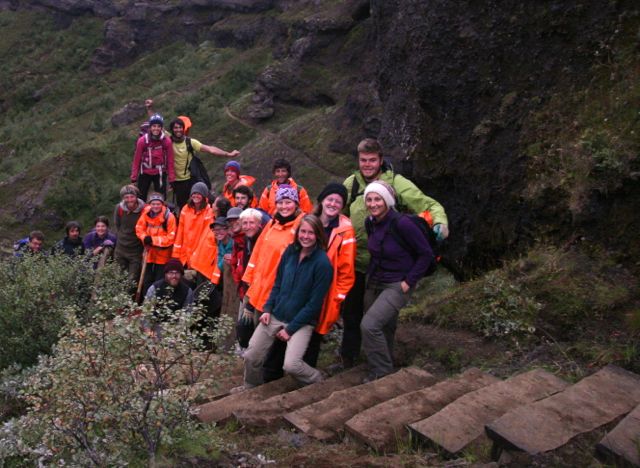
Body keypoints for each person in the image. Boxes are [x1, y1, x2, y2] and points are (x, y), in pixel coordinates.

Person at [339, 138, 449, 369]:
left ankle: (382, 366)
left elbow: (428, 205)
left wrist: (439, 222)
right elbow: (334, 206)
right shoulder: (352, 184)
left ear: (380, 160)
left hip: (391, 270)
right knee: (351, 315)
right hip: (358, 264)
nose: (367, 165)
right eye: (363, 160)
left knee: (377, 321)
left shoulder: (396, 183)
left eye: (372, 160)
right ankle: (351, 360)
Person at [263, 183, 356, 381]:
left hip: (324, 292)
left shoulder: (345, 230)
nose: (333, 204)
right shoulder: (305, 222)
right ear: (321, 200)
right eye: (329, 199)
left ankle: (306, 382)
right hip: (296, 289)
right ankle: (274, 377)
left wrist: (337, 299)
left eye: (338, 201)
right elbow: (291, 252)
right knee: (284, 330)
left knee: (312, 335)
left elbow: (346, 271)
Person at [235, 214, 333, 391]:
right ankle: (251, 387)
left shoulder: (323, 264)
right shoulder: (290, 252)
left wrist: (290, 329)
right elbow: (277, 283)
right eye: (303, 231)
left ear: (318, 235)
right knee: (251, 355)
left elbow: (314, 304)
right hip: (276, 313)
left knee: (291, 365)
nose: (305, 236)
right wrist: (267, 309)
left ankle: (319, 380)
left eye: (311, 233)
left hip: (301, 322)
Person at [361, 181, 434, 381]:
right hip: (376, 281)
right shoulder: (371, 223)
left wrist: (408, 281)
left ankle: (382, 372)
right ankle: (385, 359)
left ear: (387, 200)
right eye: (369, 199)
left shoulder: (403, 223)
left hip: (397, 283)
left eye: (378, 199)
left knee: (369, 325)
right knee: (385, 325)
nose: (373, 203)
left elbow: (425, 254)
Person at [242, 185, 305, 318]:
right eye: (280, 202)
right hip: (260, 289)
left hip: (279, 294)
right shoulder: (272, 224)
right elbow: (257, 253)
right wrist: (248, 278)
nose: (284, 206)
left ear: (296, 204)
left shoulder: (302, 227)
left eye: (288, 202)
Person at [167, 116, 240, 208]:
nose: (178, 130)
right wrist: (149, 109)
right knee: (183, 207)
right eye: (175, 128)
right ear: (172, 129)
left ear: (183, 128)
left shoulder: (190, 142)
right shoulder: (167, 141)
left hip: (191, 179)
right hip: (177, 182)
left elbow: (210, 149)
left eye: (180, 127)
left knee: (205, 201)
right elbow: (157, 126)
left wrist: (228, 154)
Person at [231, 208, 264, 348]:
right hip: (247, 288)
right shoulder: (246, 240)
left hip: (260, 290)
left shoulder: (263, 241)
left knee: (255, 325)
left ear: (259, 224)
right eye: (245, 223)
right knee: (243, 325)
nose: (248, 226)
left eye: (252, 223)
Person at [135, 192, 177, 294]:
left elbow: (171, 238)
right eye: (153, 204)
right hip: (148, 253)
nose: (155, 206)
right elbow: (139, 228)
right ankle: (145, 303)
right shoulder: (145, 214)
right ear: (150, 204)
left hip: (163, 255)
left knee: (159, 281)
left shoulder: (169, 217)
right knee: (146, 280)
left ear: (162, 204)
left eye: (158, 204)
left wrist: (152, 240)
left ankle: (157, 304)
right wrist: (144, 238)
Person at [130, 113, 175, 201]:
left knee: (161, 198)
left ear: (162, 128)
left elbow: (170, 161)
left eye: (159, 126)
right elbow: (137, 160)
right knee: (141, 198)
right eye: (154, 126)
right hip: (145, 172)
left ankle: (161, 213)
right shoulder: (142, 141)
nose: (156, 128)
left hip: (160, 172)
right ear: (150, 127)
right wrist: (134, 178)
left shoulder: (166, 141)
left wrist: (171, 179)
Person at [171, 182, 214, 267]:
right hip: (184, 253)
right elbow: (180, 232)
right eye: (194, 193)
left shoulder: (209, 211)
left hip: (200, 254)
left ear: (204, 196)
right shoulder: (185, 209)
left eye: (199, 194)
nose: (196, 196)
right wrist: (175, 255)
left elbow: (206, 236)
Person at [114, 184, 146, 285]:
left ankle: (130, 299)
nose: (129, 199)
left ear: (136, 197)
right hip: (121, 249)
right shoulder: (119, 208)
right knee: (118, 277)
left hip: (136, 250)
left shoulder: (144, 210)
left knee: (132, 280)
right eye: (126, 197)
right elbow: (118, 225)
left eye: (132, 196)